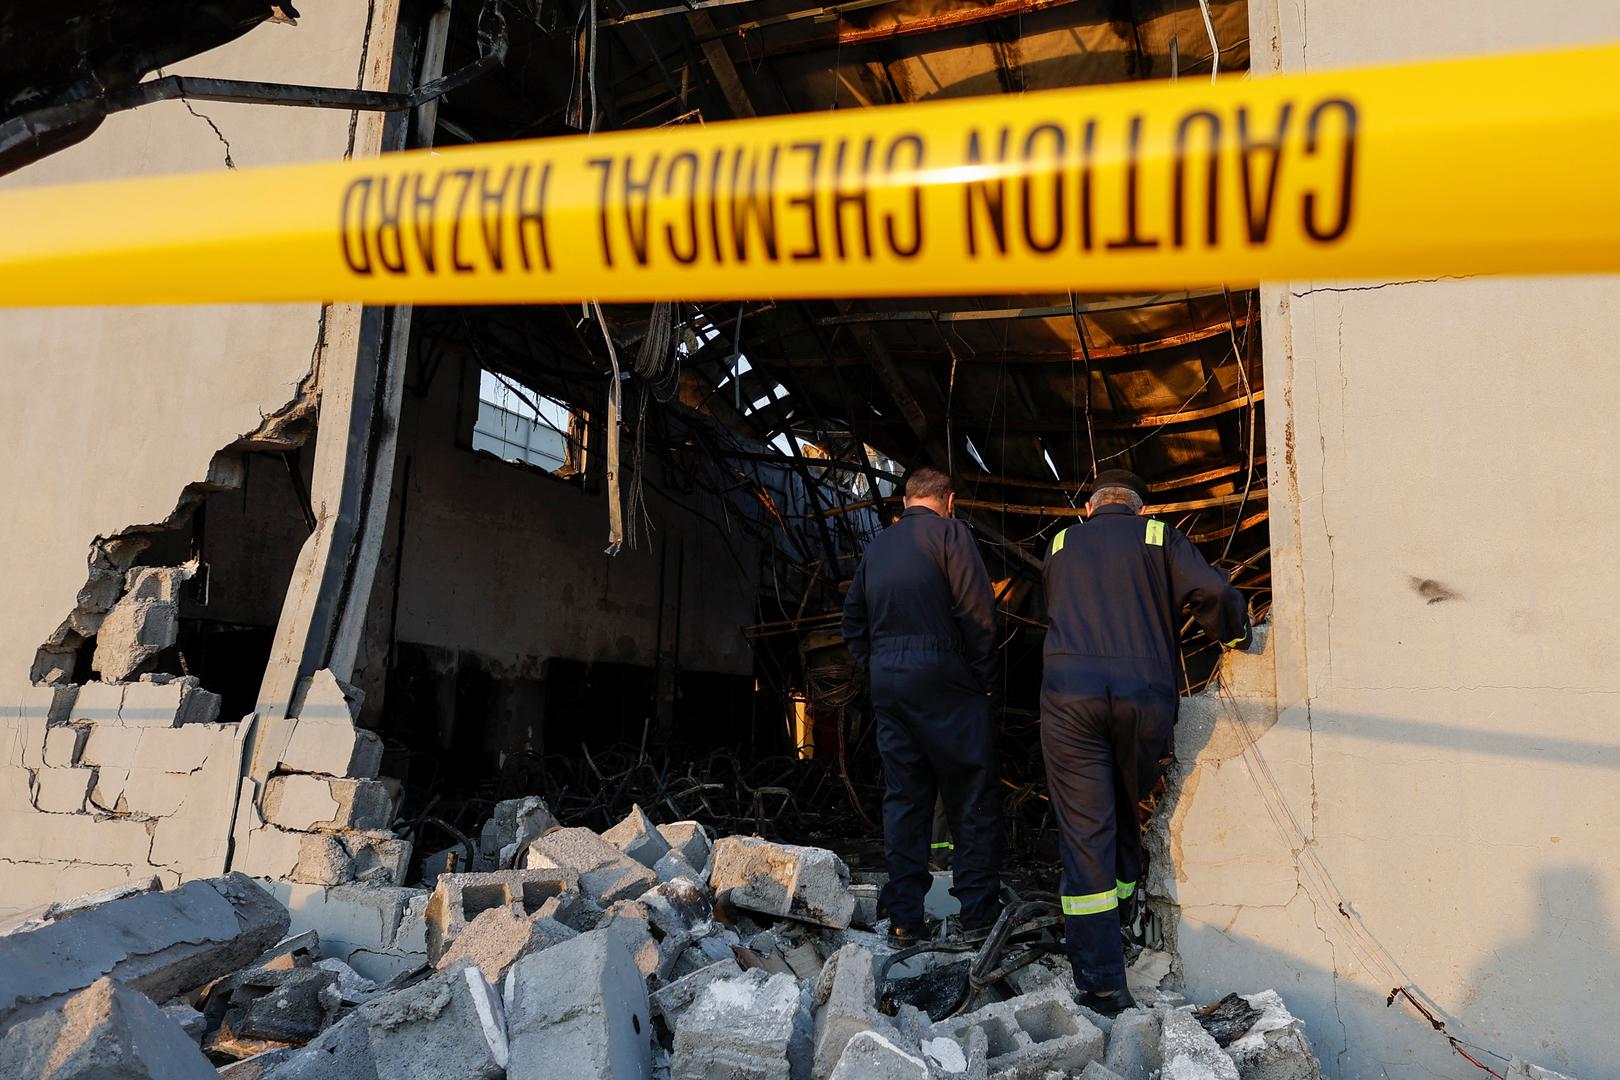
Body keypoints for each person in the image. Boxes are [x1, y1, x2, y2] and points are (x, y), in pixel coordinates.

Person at [1040, 468, 1251, 1015]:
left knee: (1088, 828)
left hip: (1071, 698)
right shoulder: (1158, 536)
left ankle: (1103, 981)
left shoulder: (1061, 543)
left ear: (1090, 508)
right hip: (1144, 697)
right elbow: (1214, 590)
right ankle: (1127, 911)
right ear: (1138, 508)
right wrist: (1234, 632)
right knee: (1127, 805)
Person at [841, 466, 1003, 942]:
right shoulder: (953, 536)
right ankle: (977, 918)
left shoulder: (877, 547)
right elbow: (979, 615)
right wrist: (985, 681)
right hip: (946, 679)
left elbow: (853, 621)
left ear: (906, 501)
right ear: (948, 500)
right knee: (970, 795)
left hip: (889, 682)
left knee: (905, 800)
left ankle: (905, 918)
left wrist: (878, 663)